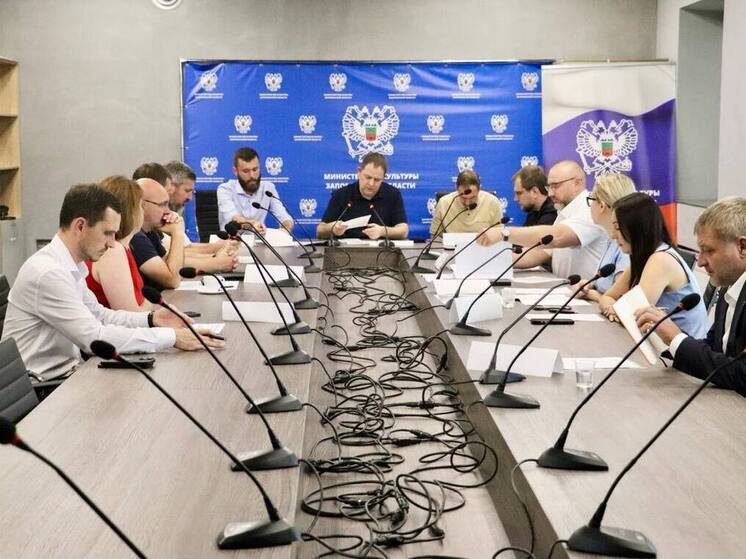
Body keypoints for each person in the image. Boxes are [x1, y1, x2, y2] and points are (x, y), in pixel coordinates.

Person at [1, 184, 223, 382]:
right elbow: (94, 337)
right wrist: (171, 337)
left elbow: (100, 315)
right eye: (107, 233)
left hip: (67, 376)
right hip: (41, 388)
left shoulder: (69, 265)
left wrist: (152, 319)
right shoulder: (48, 273)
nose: (111, 243)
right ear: (80, 226)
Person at [635, 197, 746, 396]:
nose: (701, 262)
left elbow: (742, 374)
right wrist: (666, 340)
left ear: (742, 247)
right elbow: (713, 350)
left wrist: (676, 338)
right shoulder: (728, 285)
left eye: (708, 250)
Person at [596, 193, 708, 338]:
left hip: (682, 348)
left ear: (637, 228)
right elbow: (608, 297)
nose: (612, 235)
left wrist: (610, 306)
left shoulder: (660, 259)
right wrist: (611, 309)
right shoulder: (644, 256)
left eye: (617, 228)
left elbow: (632, 315)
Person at [477, 160, 607, 279]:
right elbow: (537, 254)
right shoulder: (563, 211)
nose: (550, 193)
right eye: (549, 187)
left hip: (588, 292)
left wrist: (504, 233)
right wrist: (491, 259)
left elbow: (557, 237)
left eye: (556, 186)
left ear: (577, 182)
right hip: (567, 290)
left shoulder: (590, 208)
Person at [85, 176, 150, 311]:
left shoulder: (123, 248)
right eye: (141, 206)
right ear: (131, 212)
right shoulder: (112, 251)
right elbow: (130, 314)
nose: (143, 212)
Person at [163, 160, 238, 270]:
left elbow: (187, 248)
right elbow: (170, 258)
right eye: (187, 191)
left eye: (192, 192)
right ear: (171, 187)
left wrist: (218, 249)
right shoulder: (154, 219)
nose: (190, 198)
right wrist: (216, 262)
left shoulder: (171, 215)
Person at [316, 152, 408, 240]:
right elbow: (320, 231)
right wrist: (333, 228)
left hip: (382, 249)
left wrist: (382, 231)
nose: (371, 183)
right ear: (359, 172)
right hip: (346, 249)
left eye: (377, 180)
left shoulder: (393, 194)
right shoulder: (341, 194)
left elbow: (403, 231)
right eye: (368, 177)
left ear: (383, 178)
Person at [576, 174, 636, 300]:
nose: (590, 206)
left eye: (591, 200)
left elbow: (621, 299)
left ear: (602, 206)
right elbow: (605, 285)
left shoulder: (625, 245)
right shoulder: (611, 239)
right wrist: (589, 285)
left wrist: (590, 294)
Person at [217, 147, 293, 233]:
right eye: (246, 171)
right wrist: (252, 223)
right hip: (232, 240)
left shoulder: (268, 188)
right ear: (235, 171)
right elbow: (233, 218)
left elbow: (283, 215)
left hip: (259, 240)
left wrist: (286, 228)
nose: (252, 176)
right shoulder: (225, 189)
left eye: (255, 169)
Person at [130, 178, 186, 290]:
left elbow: (171, 267)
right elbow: (173, 280)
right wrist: (178, 233)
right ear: (142, 205)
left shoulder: (150, 231)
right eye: (163, 205)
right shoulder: (135, 236)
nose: (168, 211)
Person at [429, 170, 502, 238]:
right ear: (456, 188)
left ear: (479, 189)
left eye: (472, 197)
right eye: (463, 197)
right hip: (451, 247)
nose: (467, 203)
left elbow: (498, 235)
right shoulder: (444, 203)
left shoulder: (493, 202)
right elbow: (435, 236)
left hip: (484, 246)